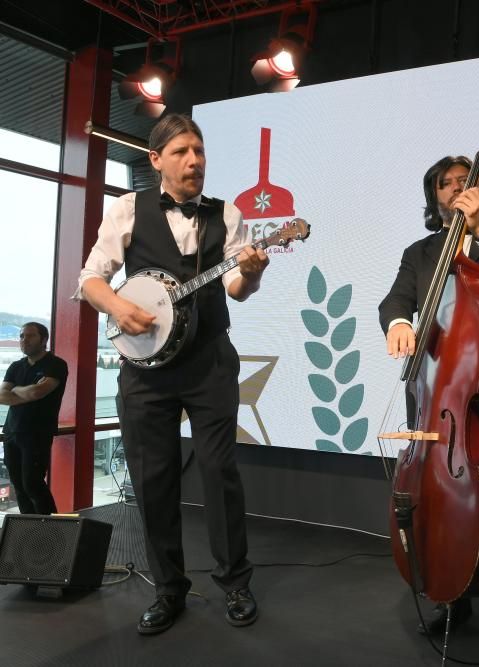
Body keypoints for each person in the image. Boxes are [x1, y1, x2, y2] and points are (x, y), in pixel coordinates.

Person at [78, 113, 269, 635]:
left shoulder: (227, 215)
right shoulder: (127, 209)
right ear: (156, 160)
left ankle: (235, 583)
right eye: (182, 151)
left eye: (200, 151)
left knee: (219, 473)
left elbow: (235, 290)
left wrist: (250, 272)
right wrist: (118, 309)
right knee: (153, 481)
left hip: (209, 362)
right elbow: (91, 280)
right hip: (144, 370)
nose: (194, 161)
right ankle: (168, 590)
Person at [378, 155, 479, 646]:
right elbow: (394, 300)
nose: (453, 190)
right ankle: (454, 595)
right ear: (434, 197)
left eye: (461, 182)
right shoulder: (420, 252)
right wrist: (400, 323)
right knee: (433, 499)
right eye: (444, 184)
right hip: (432, 392)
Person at [0, 322, 67, 515]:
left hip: (37, 433)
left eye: (30, 336)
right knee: (19, 487)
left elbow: (38, 392)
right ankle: (29, 529)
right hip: (12, 432)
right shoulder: (15, 366)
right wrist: (24, 392)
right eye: (22, 336)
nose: (24, 340)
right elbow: (2, 395)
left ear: (44, 339)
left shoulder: (56, 364)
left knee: (33, 484)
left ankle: (52, 531)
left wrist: (15, 391)